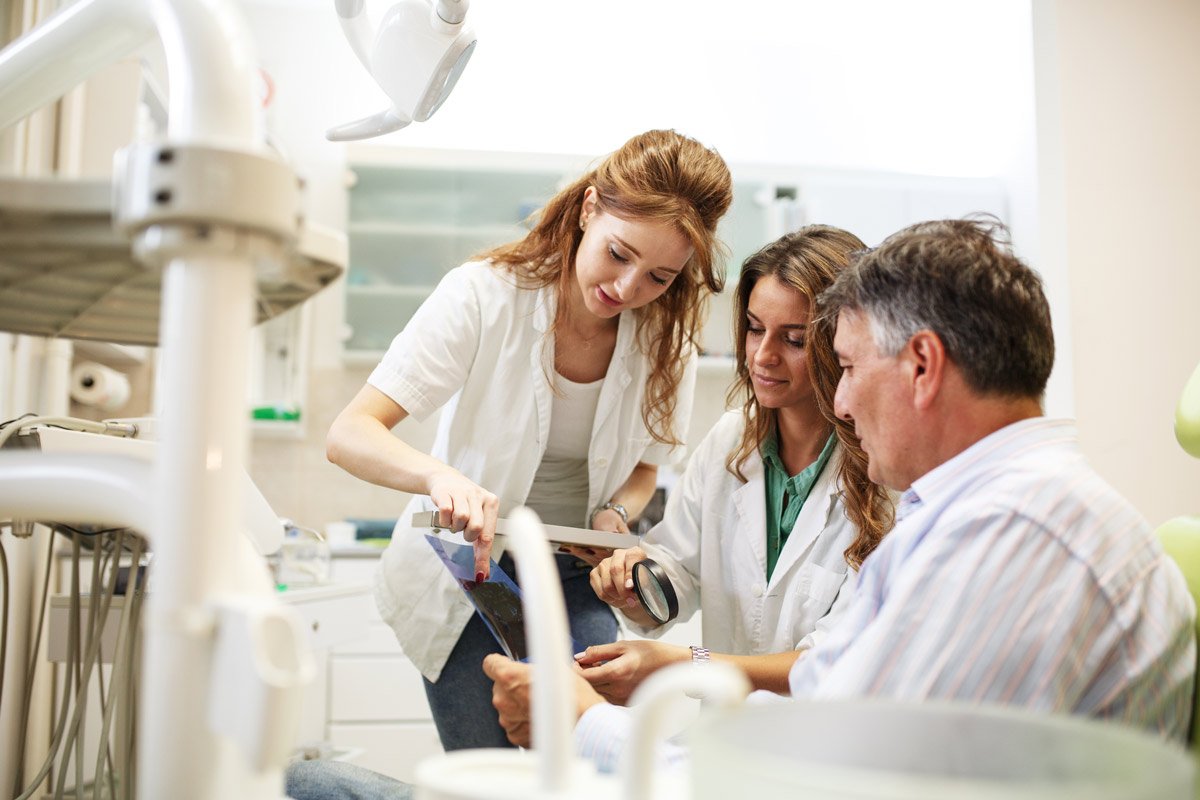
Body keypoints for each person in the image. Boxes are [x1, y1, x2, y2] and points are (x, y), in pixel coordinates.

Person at [483, 216, 1196, 771]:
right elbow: (835, 691)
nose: (843, 402)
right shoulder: (986, 510)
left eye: (846, 366)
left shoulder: (1005, 534)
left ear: (922, 365)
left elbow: (823, 780)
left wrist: (583, 724)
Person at [325, 129, 733, 751]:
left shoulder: (666, 342)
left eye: (658, 276)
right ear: (590, 208)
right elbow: (351, 433)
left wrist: (615, 512)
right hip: (472, 566)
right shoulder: (483, 295)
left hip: (572, 570)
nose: (626, 289)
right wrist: (442, 479)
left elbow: (646, 471)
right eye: (618, 254)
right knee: (487, 770)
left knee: (587, 754)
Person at [573, 225, 895, 703]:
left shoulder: (886, 472)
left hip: (826, 748)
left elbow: (837, 658)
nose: (762, 356)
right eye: (754, 328)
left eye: (794, 340)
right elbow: (678, 571)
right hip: (730, 737)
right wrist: (635, 586)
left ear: (841, 342)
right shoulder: (732, 439)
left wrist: (686, 665)